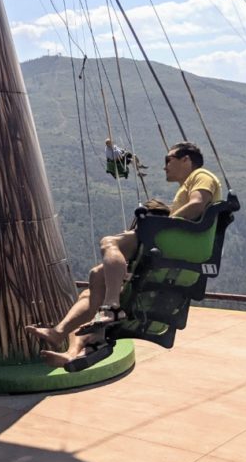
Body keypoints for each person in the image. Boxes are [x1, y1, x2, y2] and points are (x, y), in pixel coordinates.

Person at [26, 141, 221, 369]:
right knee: (97, 276)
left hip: (170, 244)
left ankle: (111, 307)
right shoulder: (187, 184)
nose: (165, 166)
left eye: (169, 160)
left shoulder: (202, 175)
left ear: (186, 159)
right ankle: (66, 340)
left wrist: (160, 225)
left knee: (109, 242)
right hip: (173, 243)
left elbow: (197, 205)